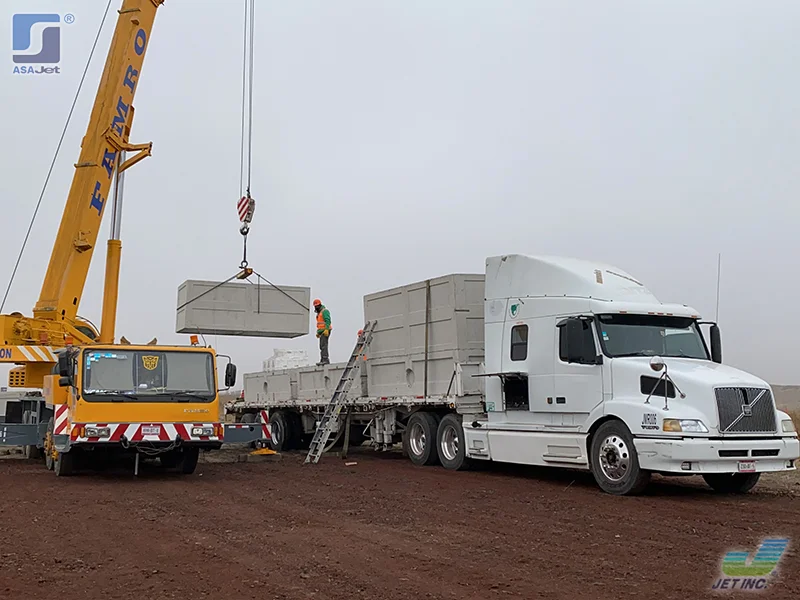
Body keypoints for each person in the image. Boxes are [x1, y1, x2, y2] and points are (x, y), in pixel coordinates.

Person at [314, 298, 332, 365]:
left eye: (317, 306)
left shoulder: (324, 311)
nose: (316, 307)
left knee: (324, 345)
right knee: (321, 346)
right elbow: (320, 324)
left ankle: (325, 360)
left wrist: (326, 329)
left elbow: (328, 321)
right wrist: (318, 332)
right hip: (322, 331)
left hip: (325, 330)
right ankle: (323, 359)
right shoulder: (319, 313)